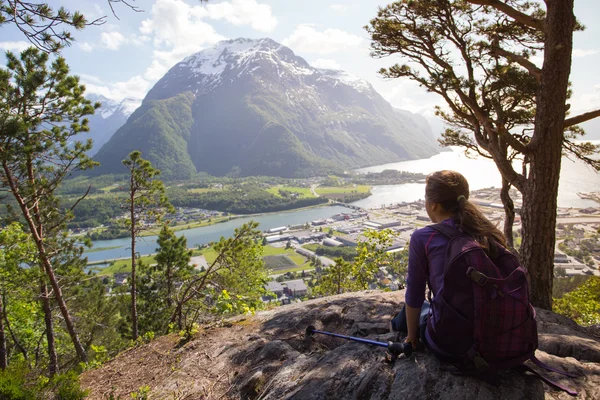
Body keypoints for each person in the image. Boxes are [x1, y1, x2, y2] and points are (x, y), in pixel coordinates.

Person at [401, 170, 508, 357]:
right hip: (499, 335)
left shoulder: (423, 237)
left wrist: (411, 337)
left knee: (408, 314)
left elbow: (415, 292)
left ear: (433, 205)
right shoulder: (486, 231)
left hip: (452, 343)